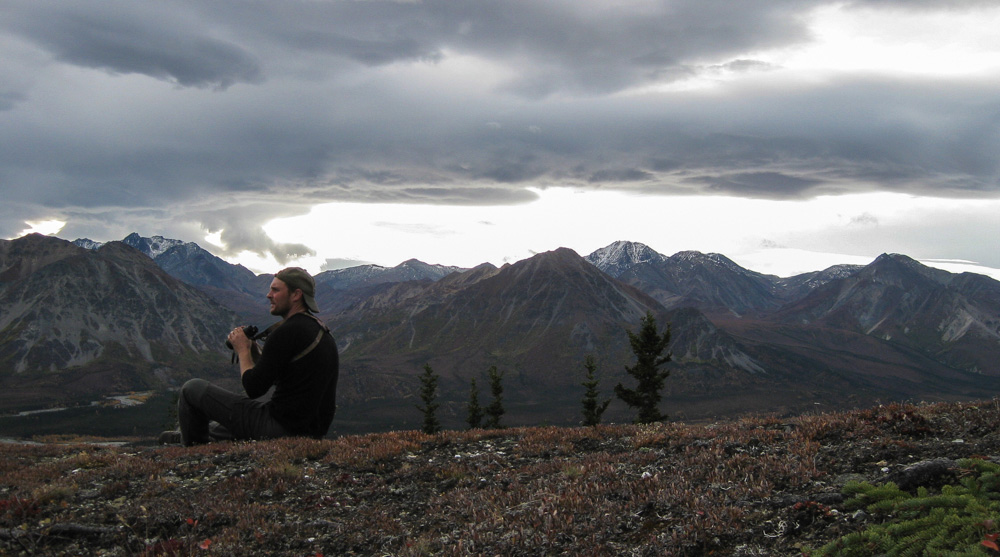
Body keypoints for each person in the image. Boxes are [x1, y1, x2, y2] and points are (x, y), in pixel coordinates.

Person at [160, 267, 339, 446]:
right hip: (310, 432)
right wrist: (256, 352)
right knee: (221, 425)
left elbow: (253, 388)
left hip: (280, 428)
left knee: (192, 389)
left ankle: (192, 449)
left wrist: (243, 350)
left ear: (296, 295)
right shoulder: (320, 330)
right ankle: (197, 436)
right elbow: (283, 378)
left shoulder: (286, 332)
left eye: (276, 290)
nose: (269, 295)